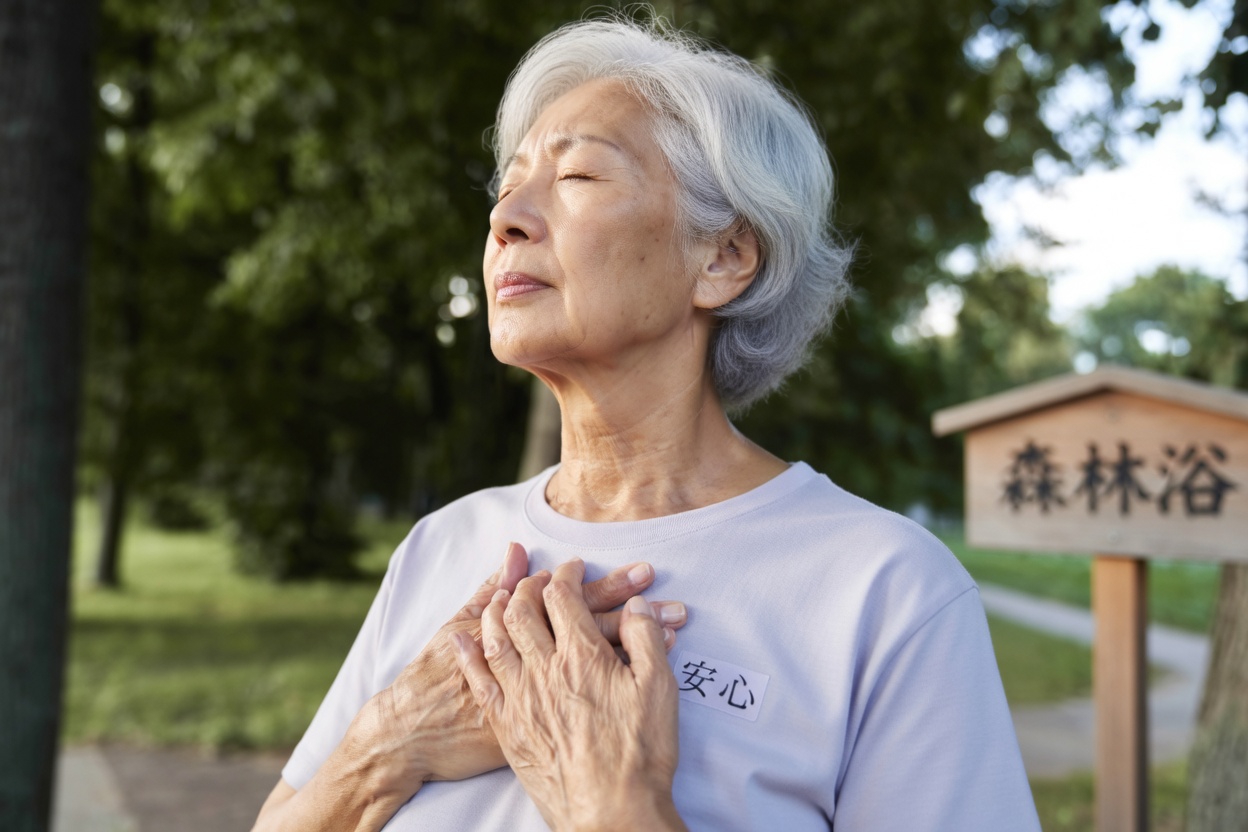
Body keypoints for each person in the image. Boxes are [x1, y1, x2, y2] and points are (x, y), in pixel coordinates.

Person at [252, 15, 1040, 832]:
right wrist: (390, 741)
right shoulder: (443, 547)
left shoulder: (886, 591)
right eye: (507, 186)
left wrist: (615, 807)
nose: (506, 218)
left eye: (580, 177)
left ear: (725, 257)